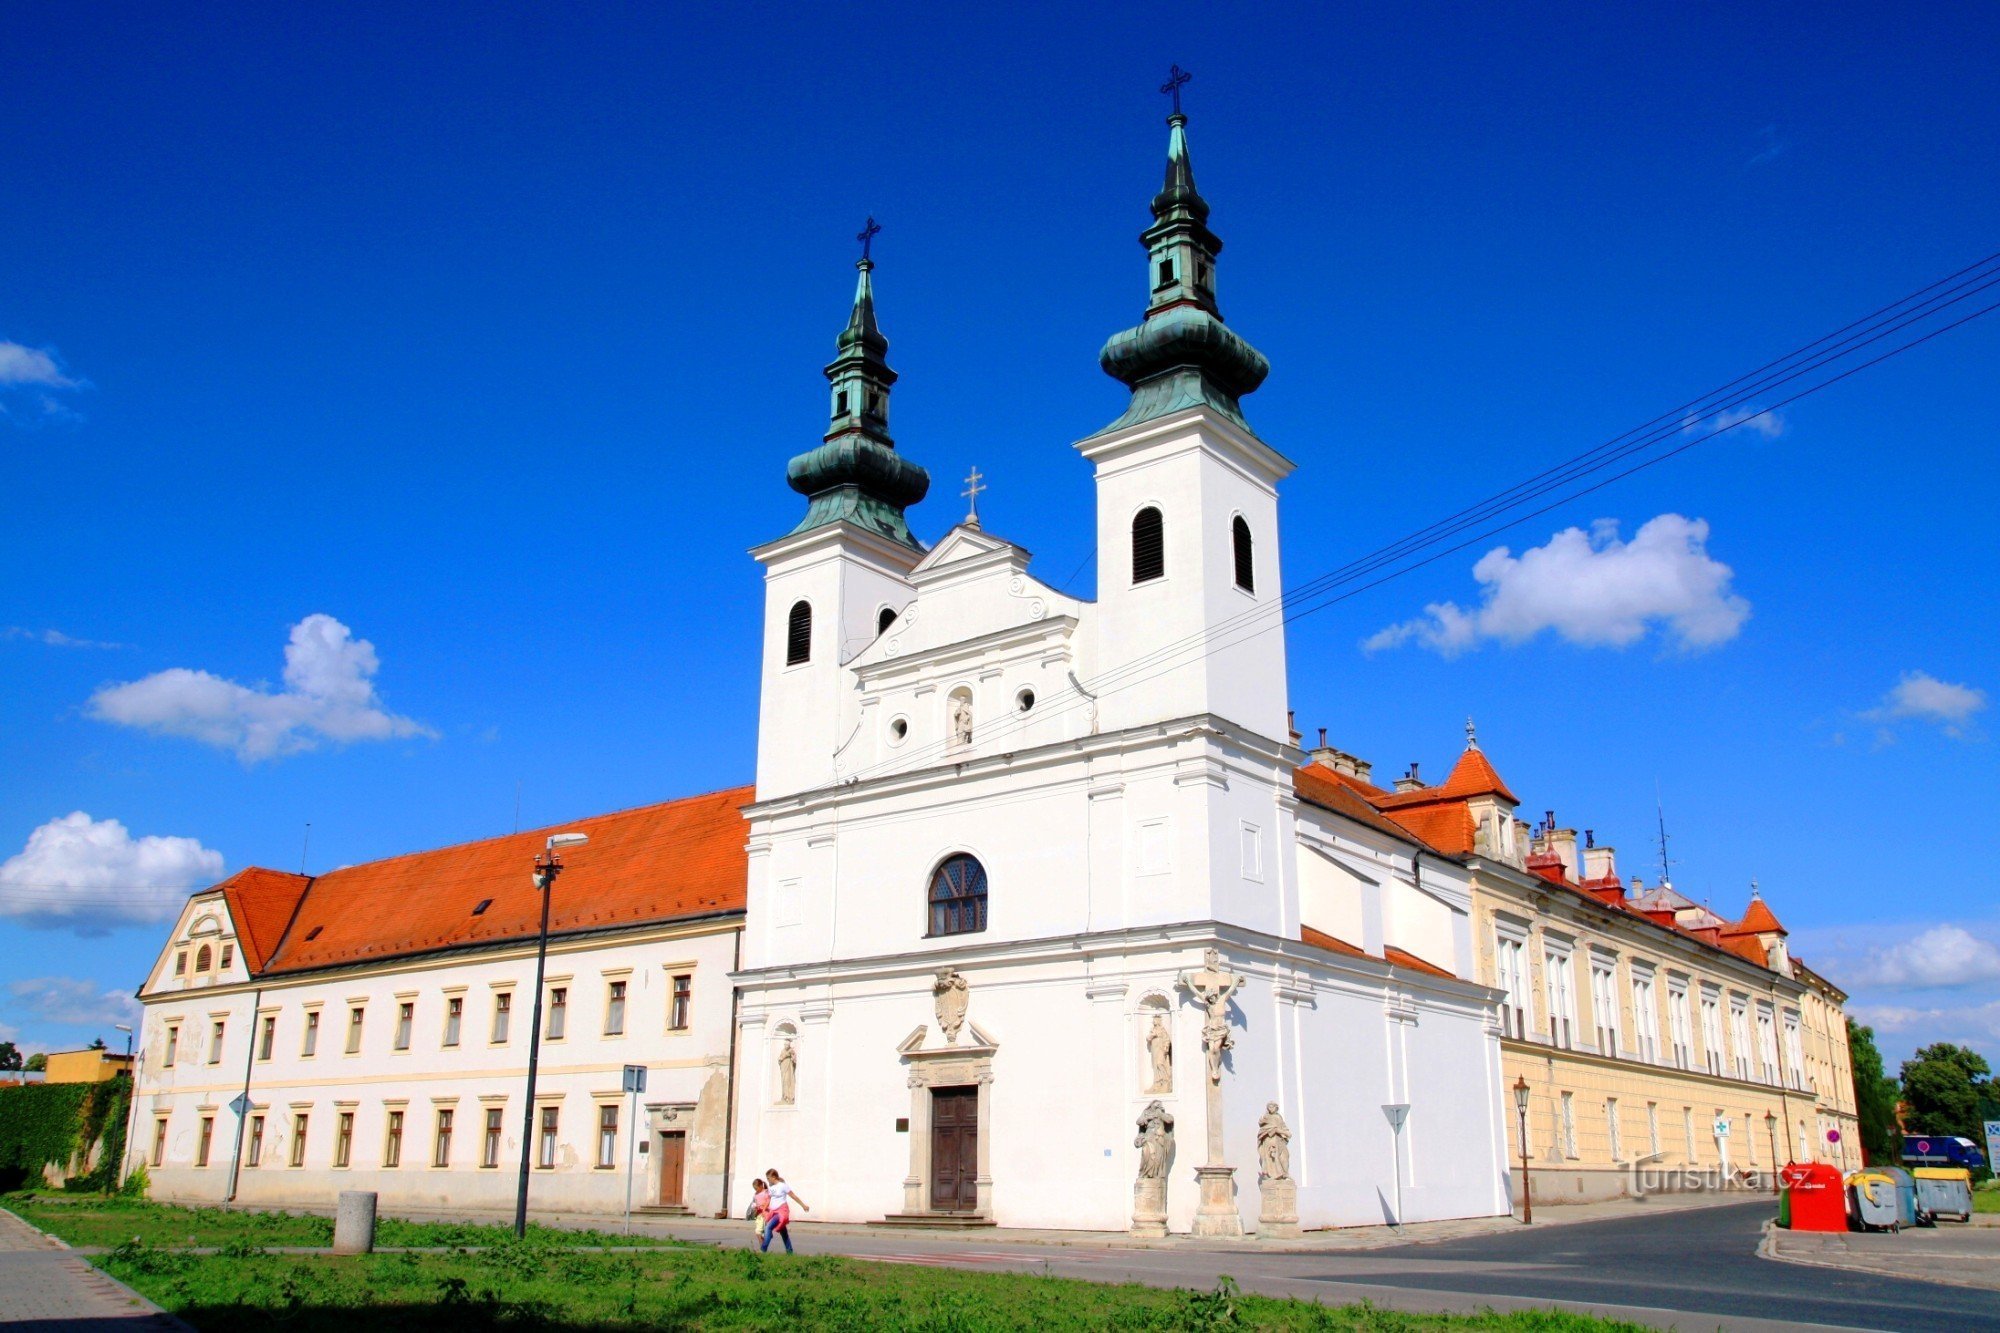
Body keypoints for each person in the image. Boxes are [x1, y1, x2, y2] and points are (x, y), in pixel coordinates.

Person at [759, 1166, 809, 1253]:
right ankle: (789, 1251)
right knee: (783, 1232)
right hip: (773, 1212)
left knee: (768, 1227)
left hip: (781, 1212)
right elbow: (769, 1199)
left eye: (768, 1178)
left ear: (773, 1177)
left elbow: (793, 1196)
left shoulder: (783, 1186)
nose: (768, 1180)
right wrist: (764, 1209)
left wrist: (803, 1205)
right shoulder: (771, 1187)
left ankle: (763, 1250)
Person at [747, 1176, 769, 1241]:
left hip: (766, 1214)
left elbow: (769, 1202)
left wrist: (762, 1206)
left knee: (761, 1231)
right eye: (754, 1189)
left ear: (761, 1186)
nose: (755, 1190)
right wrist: (755, 1208)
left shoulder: (766, 1192)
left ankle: (764, 1245)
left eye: (756, 1188)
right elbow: (755, 1203)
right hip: (759, 1215)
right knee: (759, 1232)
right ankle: (763, 1245)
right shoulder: (756, 1194)